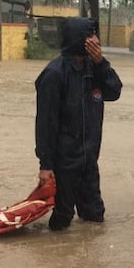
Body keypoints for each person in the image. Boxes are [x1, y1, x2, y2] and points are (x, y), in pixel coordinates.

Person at [35, 17, 122, 231]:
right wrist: (45, 165)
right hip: (64, 163)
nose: (96, 40)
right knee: (62, 218)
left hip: (89, 160)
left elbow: (114, 91)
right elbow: (45, 123)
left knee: (95, 218)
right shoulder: (54, 74)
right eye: (91, 35)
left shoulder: (95, 69)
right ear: (79, 39)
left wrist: (101, 63)